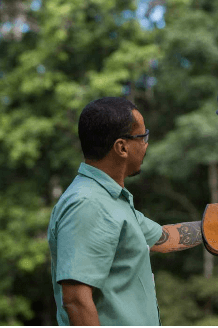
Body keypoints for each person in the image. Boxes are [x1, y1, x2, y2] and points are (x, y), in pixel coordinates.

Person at [47, 97, 202, 326]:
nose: (146, 144)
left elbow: (165, 238)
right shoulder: (87, 204)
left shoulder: (111, 200)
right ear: (122, 147)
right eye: (143, 137)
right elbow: (76, 300)